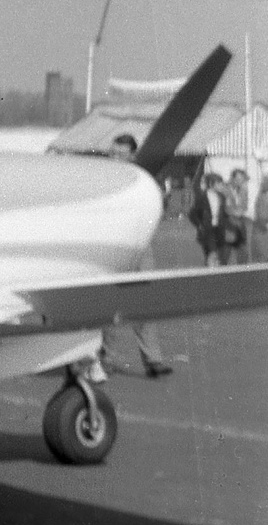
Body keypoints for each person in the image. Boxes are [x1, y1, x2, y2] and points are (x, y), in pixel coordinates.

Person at [97, 134, 171, 378]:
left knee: (145, 303)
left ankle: (153, 360)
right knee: (110, 305)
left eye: (121, 154)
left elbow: (158, 207)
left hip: (140, 247)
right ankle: (106, 357)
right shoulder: (103, 179)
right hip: (111, 248)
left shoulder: (144, 180)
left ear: (133, 155)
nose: (115, 158)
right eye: (112, 153)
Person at [189, 172, 228, 267]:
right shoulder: (201, 197)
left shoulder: (221, 197)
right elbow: (192, 214)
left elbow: (224, 213)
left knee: (220, 255)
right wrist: (199, 225)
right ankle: (211, 274)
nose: (222, 185)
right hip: (207, 230)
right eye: (219, 183)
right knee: (212, 253)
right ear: (211, 184)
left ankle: (218, 273)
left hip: (219, 230)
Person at [223, 168, 252, 265]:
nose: (241, 182)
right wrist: (233, 212)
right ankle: (220, 272)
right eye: (239, 179)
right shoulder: (225, 189)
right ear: (232, 178)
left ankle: (243, 272)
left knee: (243, 250)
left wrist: (241, 211)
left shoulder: (243, 190)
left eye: (242, 180)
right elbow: (223, 207)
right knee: (226, 250)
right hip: (228, 223)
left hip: (240, 222)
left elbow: (245, 205)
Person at [254, 175, 268, 264]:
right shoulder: (262, 196)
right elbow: (260, 213)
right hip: (263, 226)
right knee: (263, 253)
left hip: (263, 225)